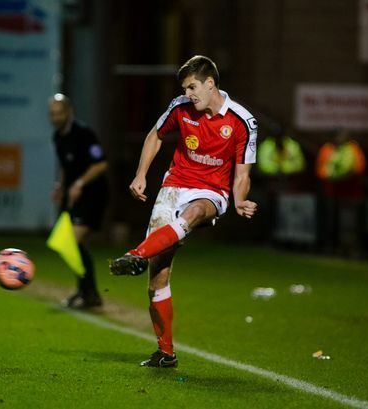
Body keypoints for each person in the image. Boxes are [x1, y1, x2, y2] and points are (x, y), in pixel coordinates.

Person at [109, 55, 258, 367]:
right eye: (186, 88)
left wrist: (240, 199)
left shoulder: (243, 122)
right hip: (174, 187)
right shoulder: (180, 108)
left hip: (212, 192)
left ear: (210, 84)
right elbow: (155, 135)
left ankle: (136, 254)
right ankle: (166, 353)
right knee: (157, 280)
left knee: (192, 216)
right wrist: (140, 174)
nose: (189, 93)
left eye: (193, 87)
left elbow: (242, 174)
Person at [49, 93, 109, 309]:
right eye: (52, 113)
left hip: (93, 193)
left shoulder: (83, 134)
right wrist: (61, 185)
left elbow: (101, 164)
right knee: (69, 244)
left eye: (59, 112)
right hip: (74, 194)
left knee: (73, 241)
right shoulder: (58, 137)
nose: (56, 117)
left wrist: (79, 184)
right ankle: (86, 292)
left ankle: (89, 292)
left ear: (69, 112)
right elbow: (67, 167)